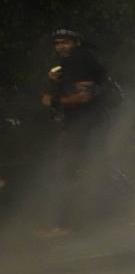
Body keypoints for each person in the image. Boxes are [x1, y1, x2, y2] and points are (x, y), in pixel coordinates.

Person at [38, 29, 109, 236]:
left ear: (76, 43)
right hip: (82, 125)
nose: (61, 46)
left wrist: (53, 101)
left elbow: (83, 98)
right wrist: (52, 81)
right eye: (58, 43)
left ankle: (63, 224)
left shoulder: (80, 61)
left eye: (66, 42)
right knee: (92, 169)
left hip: (86, 125)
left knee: (69, 173)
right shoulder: (69, 63)